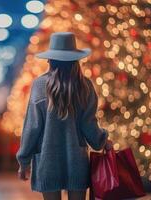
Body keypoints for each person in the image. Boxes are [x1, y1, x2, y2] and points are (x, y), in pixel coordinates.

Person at [16, 32, 113, 200]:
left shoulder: (40, 86)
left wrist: (24, 161)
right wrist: (102, 140)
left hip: (47, 162)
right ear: (76, 60)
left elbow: (32, 128)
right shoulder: (85, 86)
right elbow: (89, 125)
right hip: (77, 162)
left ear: (50, 60)